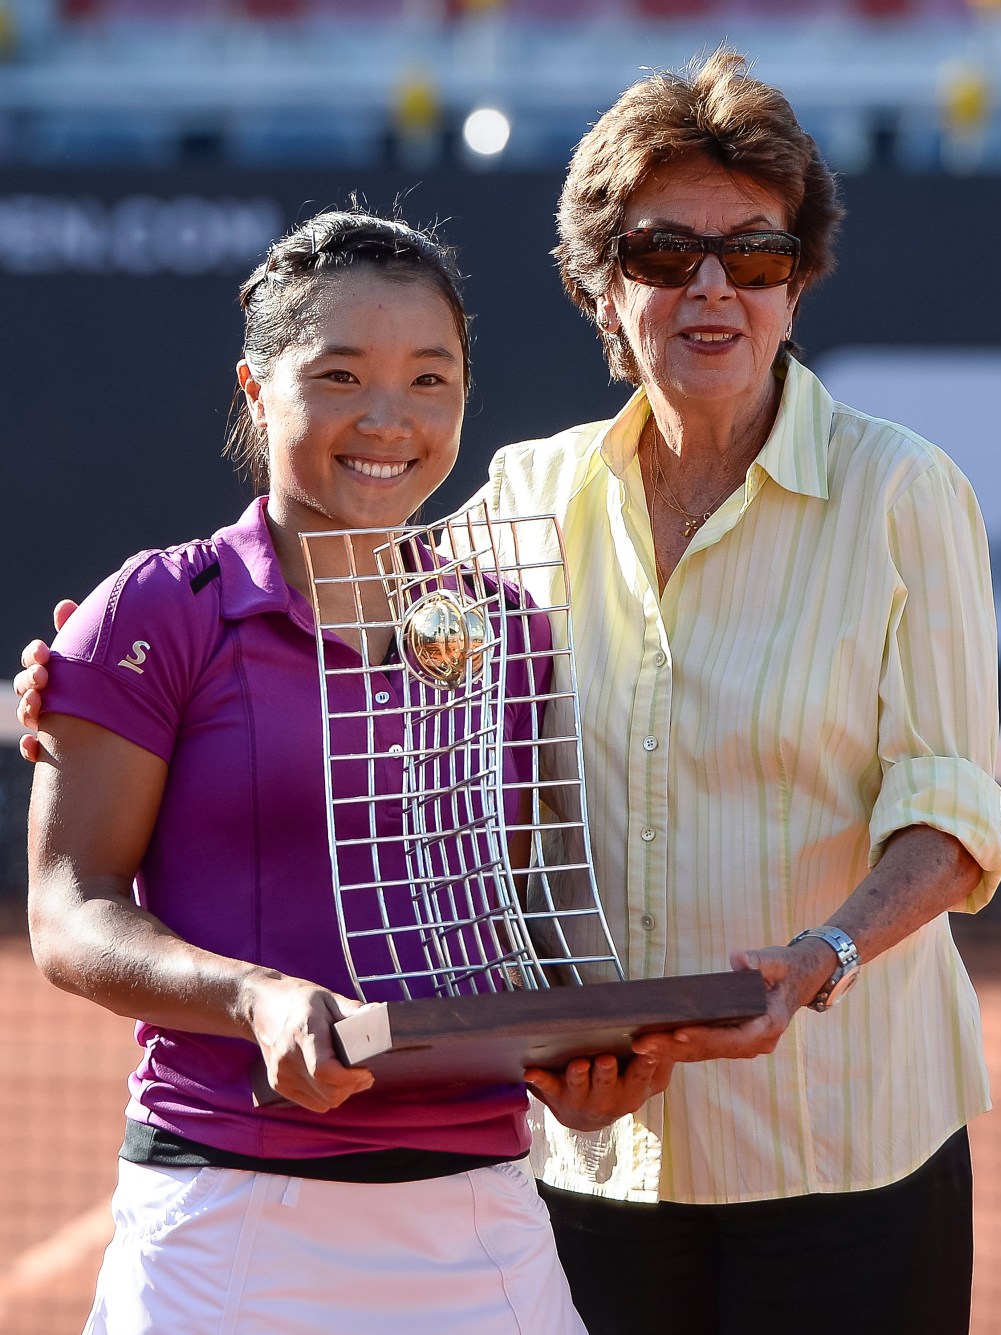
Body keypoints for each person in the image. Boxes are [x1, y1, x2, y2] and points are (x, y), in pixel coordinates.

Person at [15, 50, 1001, 1335]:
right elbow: (364, 601)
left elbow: (946, 804)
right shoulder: (515, 509)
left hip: (840, 1142)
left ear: (796, 281)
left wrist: (820, 960)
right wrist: (89, 669)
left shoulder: (904, 489)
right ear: (605, 289)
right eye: (661, 254)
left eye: (753, 255)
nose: (711, 288)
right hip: (580, 1161)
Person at [18, 208, 675, 1335]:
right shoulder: (157, 611)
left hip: (480, 1221)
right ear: (256, 389)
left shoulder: (506, 630)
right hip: (223, 1221)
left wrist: (582, 1051)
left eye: (431, 379)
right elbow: (69, 910)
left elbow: (505, 918)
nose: (389, 419)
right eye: (340, 375)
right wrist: (253, 996)